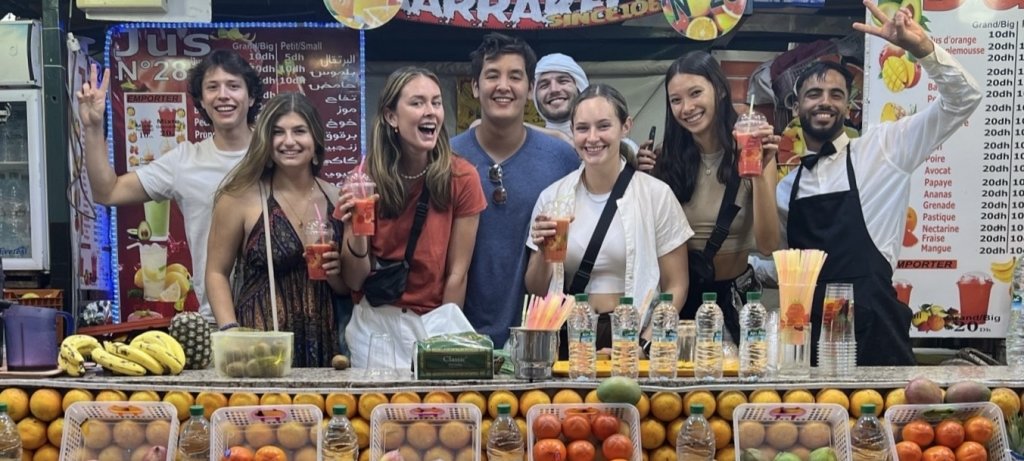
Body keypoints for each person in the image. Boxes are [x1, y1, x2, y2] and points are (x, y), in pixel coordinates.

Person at [776, 1, 981, 366]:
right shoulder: (786, 186)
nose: (825, 102)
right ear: (796, 107)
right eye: (814, 94)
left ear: (848, 105)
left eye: (836, 94)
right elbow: (778, 258)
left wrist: (922, 49)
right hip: (808, 337)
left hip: (876, 329)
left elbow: (964, 99)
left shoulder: (885, 148)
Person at [78, 50, 262, 324]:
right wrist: (92, 128)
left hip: (278, 311)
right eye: (212, 87)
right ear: (201, 100)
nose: (223, 95)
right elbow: (109, 192)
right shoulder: (185, 161)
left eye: (233, 86)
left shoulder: (276, 154)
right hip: (217, 321)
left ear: (251, 97)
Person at [524, 84, 691, 354]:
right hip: (571, 337)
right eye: (582, 128)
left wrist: (645, 343)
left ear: (626, 126)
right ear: (572, 130)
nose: (592, 138)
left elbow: (677, 285)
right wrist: (545, 252)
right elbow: (536, 288)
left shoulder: (655, 195)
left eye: (603, 126)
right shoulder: (554, 198)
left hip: (634, 334)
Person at [340, 67, 487, 368]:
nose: (430, 111)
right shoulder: (363, 180)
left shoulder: (461, 176)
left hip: (434, 319)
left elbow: (457, 274)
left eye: (436, 102)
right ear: (391, 116)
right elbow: (354, 278)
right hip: (376, 323)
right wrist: (355, 230)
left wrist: (445, 344)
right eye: (417, 103)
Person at [452, 33, 581, 349]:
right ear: (474, 87)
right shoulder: (447, 158)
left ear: (530, 89)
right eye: (492, 75)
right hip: (460, 335)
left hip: (542, 337)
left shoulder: (562, 159)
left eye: (515, 76)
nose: (503, 86)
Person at [642, 51, 780, 343]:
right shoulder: (665, 161)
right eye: (676, 100)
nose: (687, 107)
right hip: (675, 301)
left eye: (695, 93)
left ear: (718, 90)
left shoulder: (754, 151)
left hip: (732, 301)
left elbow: (768, 245)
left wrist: (757, 171)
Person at [205, 92, 344, 368]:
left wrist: (336, 271)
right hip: (258, 344)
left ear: (315, 141)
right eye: (278, 132)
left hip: (324, 341)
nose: (288, 141)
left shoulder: (336, 198)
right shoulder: (239, 197)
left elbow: (345, 287)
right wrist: (230, 331)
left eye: (299, 131)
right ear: (266, 143)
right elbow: (216, 272)